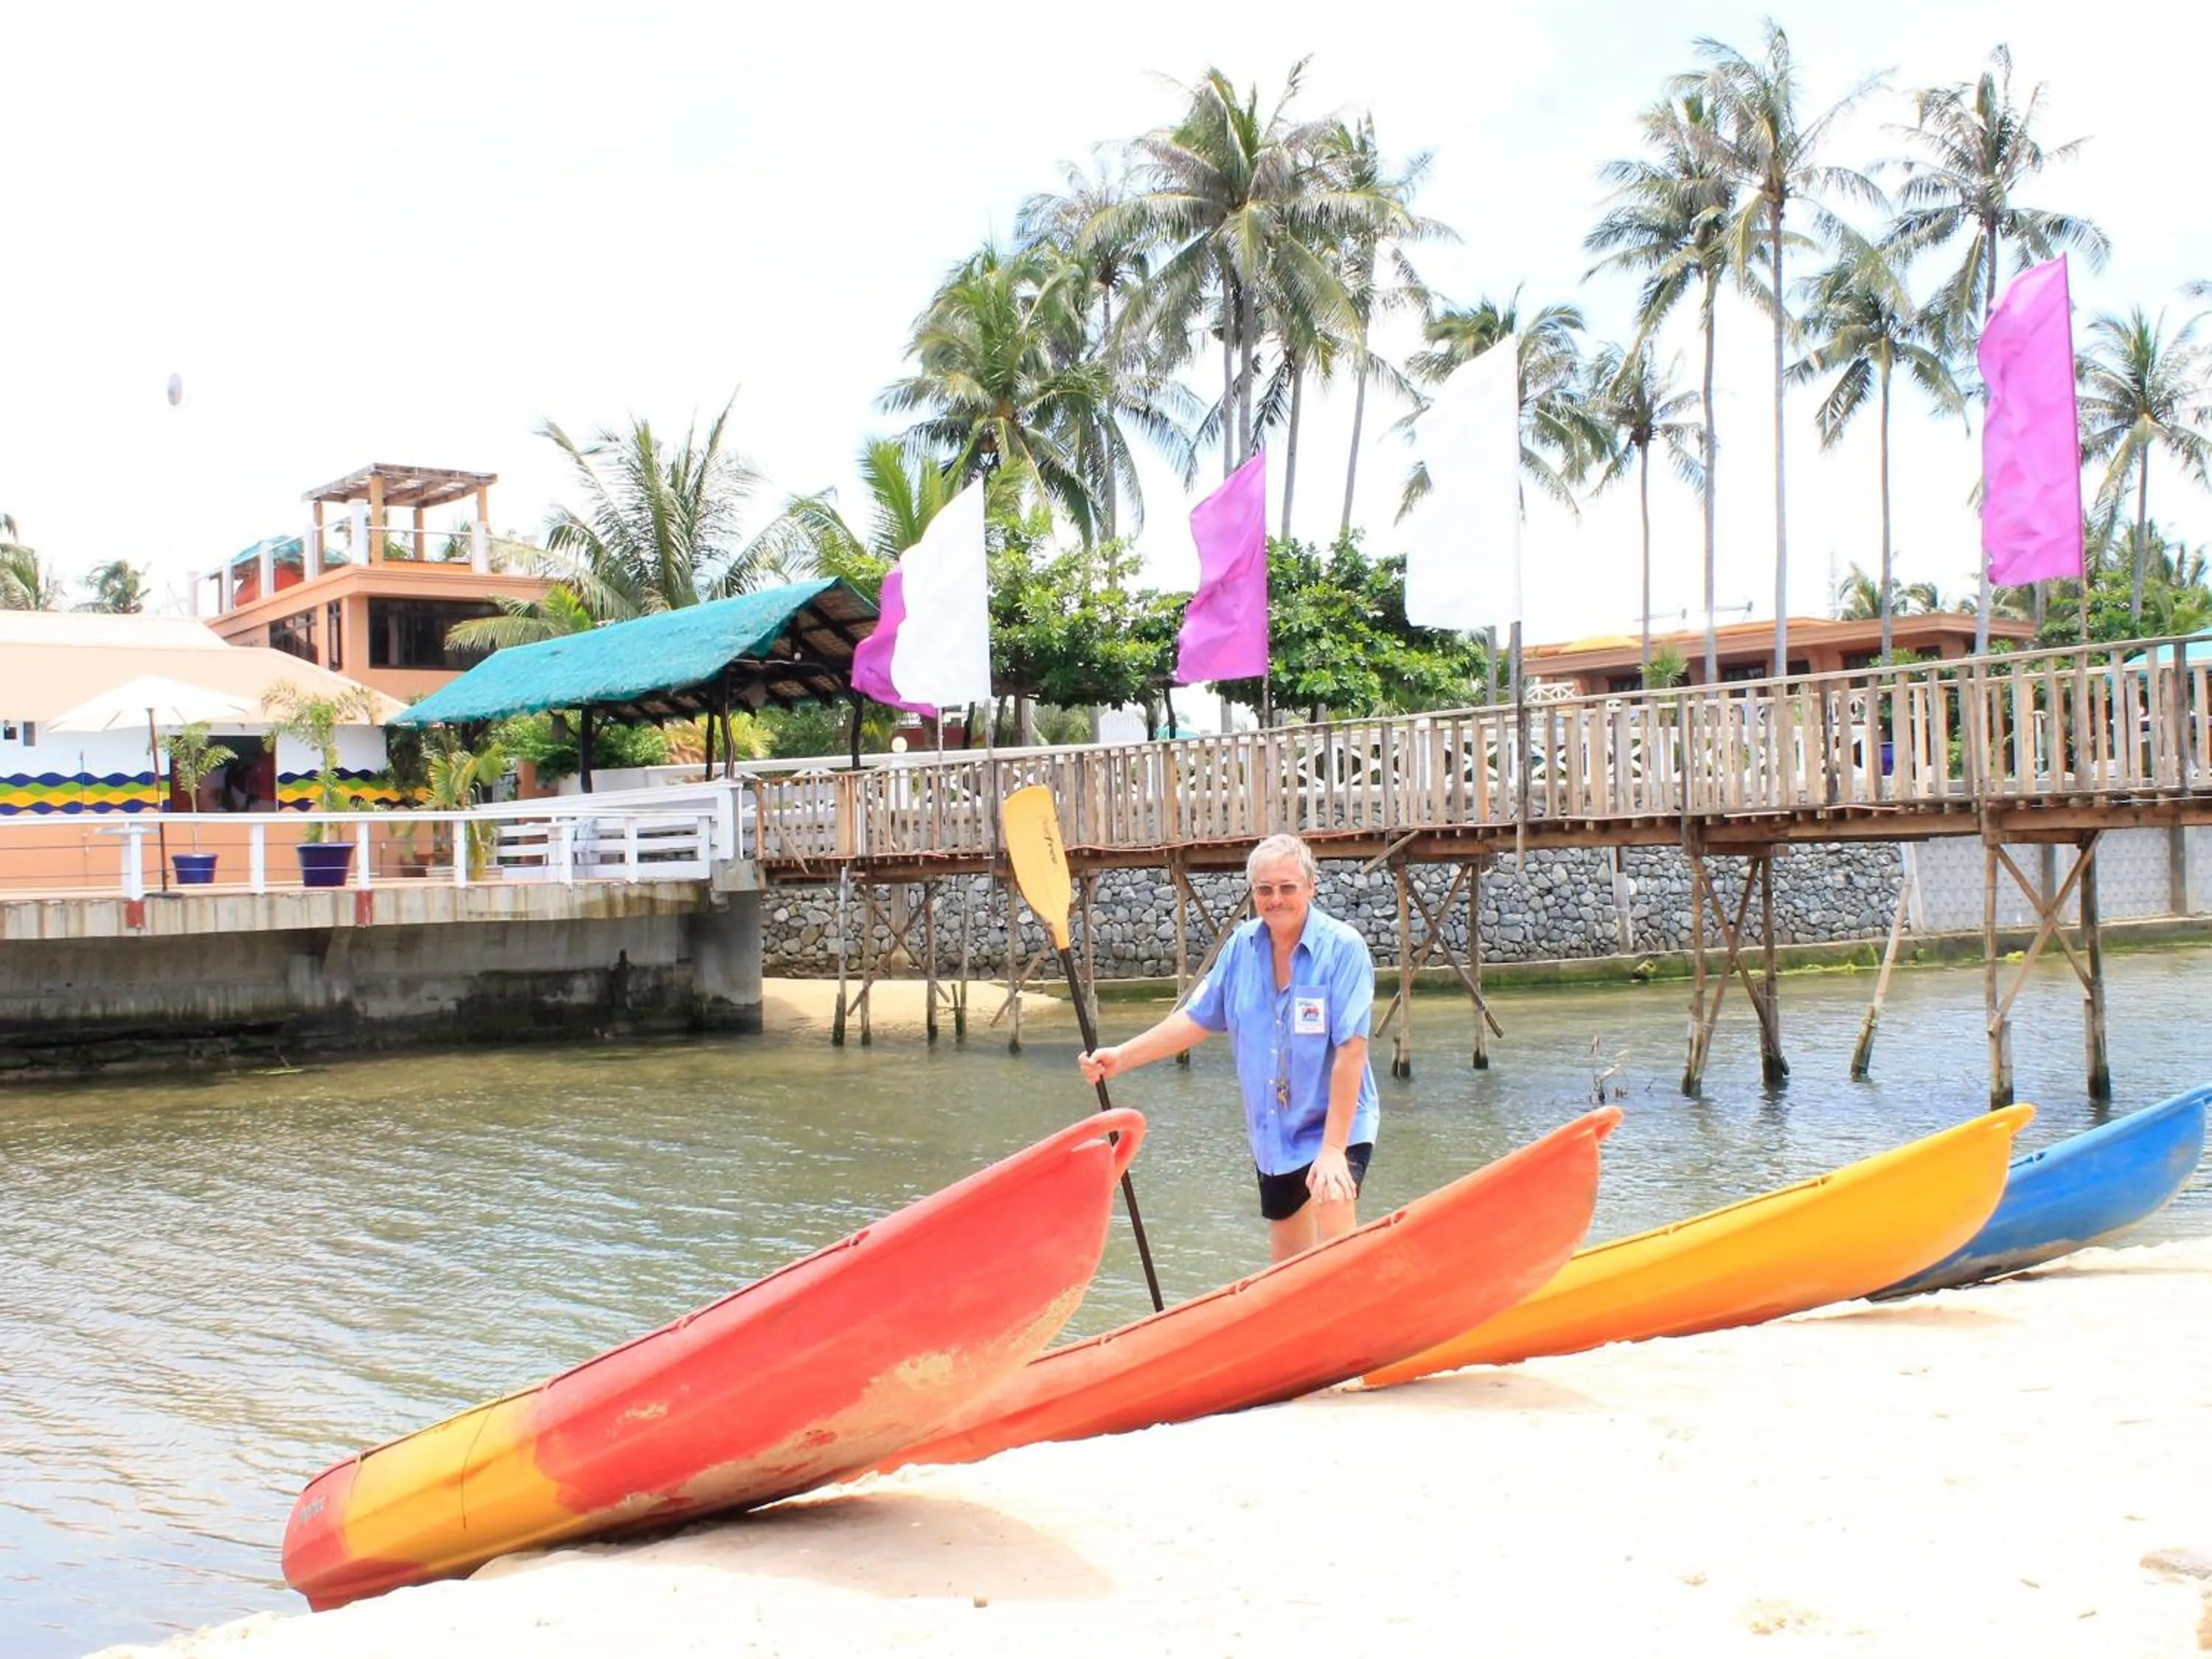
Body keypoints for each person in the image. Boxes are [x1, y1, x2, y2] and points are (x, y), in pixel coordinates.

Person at [1079, 832, 1380, 1264]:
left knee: (1333, 1200)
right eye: (1264, 890)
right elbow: (1195, 1020)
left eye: (1287, 887)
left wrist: (1333, 1150)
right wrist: (1122, 1056)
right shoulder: (1241, 947)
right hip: (1275, 1130)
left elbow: (1352, 1051)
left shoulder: (1343, 948)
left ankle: (1361, 1316)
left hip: (1337, 1122)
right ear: (1253, 893)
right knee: (1288, 1265)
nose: (1276, 899)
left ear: (1311, 888)